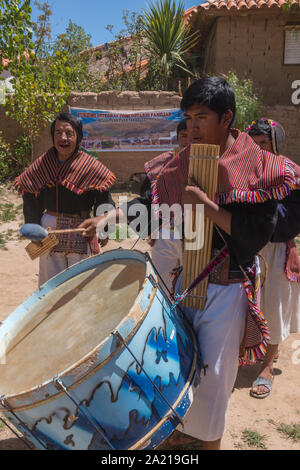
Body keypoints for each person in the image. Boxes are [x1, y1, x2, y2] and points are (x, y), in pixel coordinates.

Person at [79, 77, 299, 450]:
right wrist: (106, 219)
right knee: (173, 367)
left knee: (212, 381)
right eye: (188, 118)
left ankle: (208, 445)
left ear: (226, 117)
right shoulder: (182, 163)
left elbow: (256, 235)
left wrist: (208, 206)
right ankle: (179, 433)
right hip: (186, 284)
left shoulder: (261, 167)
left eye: (202, 117)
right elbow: (152, 204)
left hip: (227, 287)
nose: (193, 127)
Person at [14, 112, 116, 286]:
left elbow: (103, 199)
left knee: (81, 284)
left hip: (82, 230)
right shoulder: (42, 165)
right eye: (58, 133)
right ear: (52, 136)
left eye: (69, 133)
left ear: (78, 136)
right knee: (51, 284)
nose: (63, 138)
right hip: (49, 230)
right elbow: (30, 197)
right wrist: (33, 227)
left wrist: (104, 230)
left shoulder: (91, 167)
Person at [247, 118, 300, 398]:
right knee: (248, 303)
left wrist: (261, 216)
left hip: (277, 248)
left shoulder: (291, 173)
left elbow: (291, 215)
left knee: (274, 306)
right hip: (248, 248)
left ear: (276, 144)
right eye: (253, 144)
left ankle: (267, 366)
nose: (258, 150)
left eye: (264, 143)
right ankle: (256, 350)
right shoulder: (243, 172)